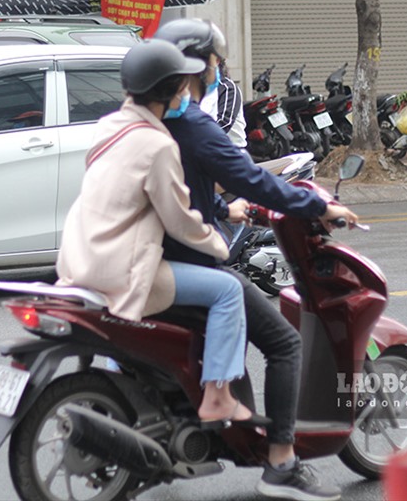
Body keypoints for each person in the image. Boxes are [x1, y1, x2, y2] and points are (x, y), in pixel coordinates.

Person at [155, 18, 357, 501]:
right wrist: (318, 206)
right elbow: (254, 180)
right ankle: (282, 463)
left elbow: (177, 194)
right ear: (196, 67)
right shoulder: (193, 124)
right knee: (285, 344)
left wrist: (223, 207)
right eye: (213, 61)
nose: (217, 69)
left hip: (151, 252)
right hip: (184, 259)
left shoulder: (143, 120)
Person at [56, 39, 269, 426]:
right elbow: (180, 219)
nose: (187, 91)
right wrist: (219, 247)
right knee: (227, 289)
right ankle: (218, 395)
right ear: (170, 91)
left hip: (78, 260)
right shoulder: (158, 144)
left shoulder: (109, 127)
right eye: (181, 85)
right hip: (120, 266)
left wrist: (220, 209)